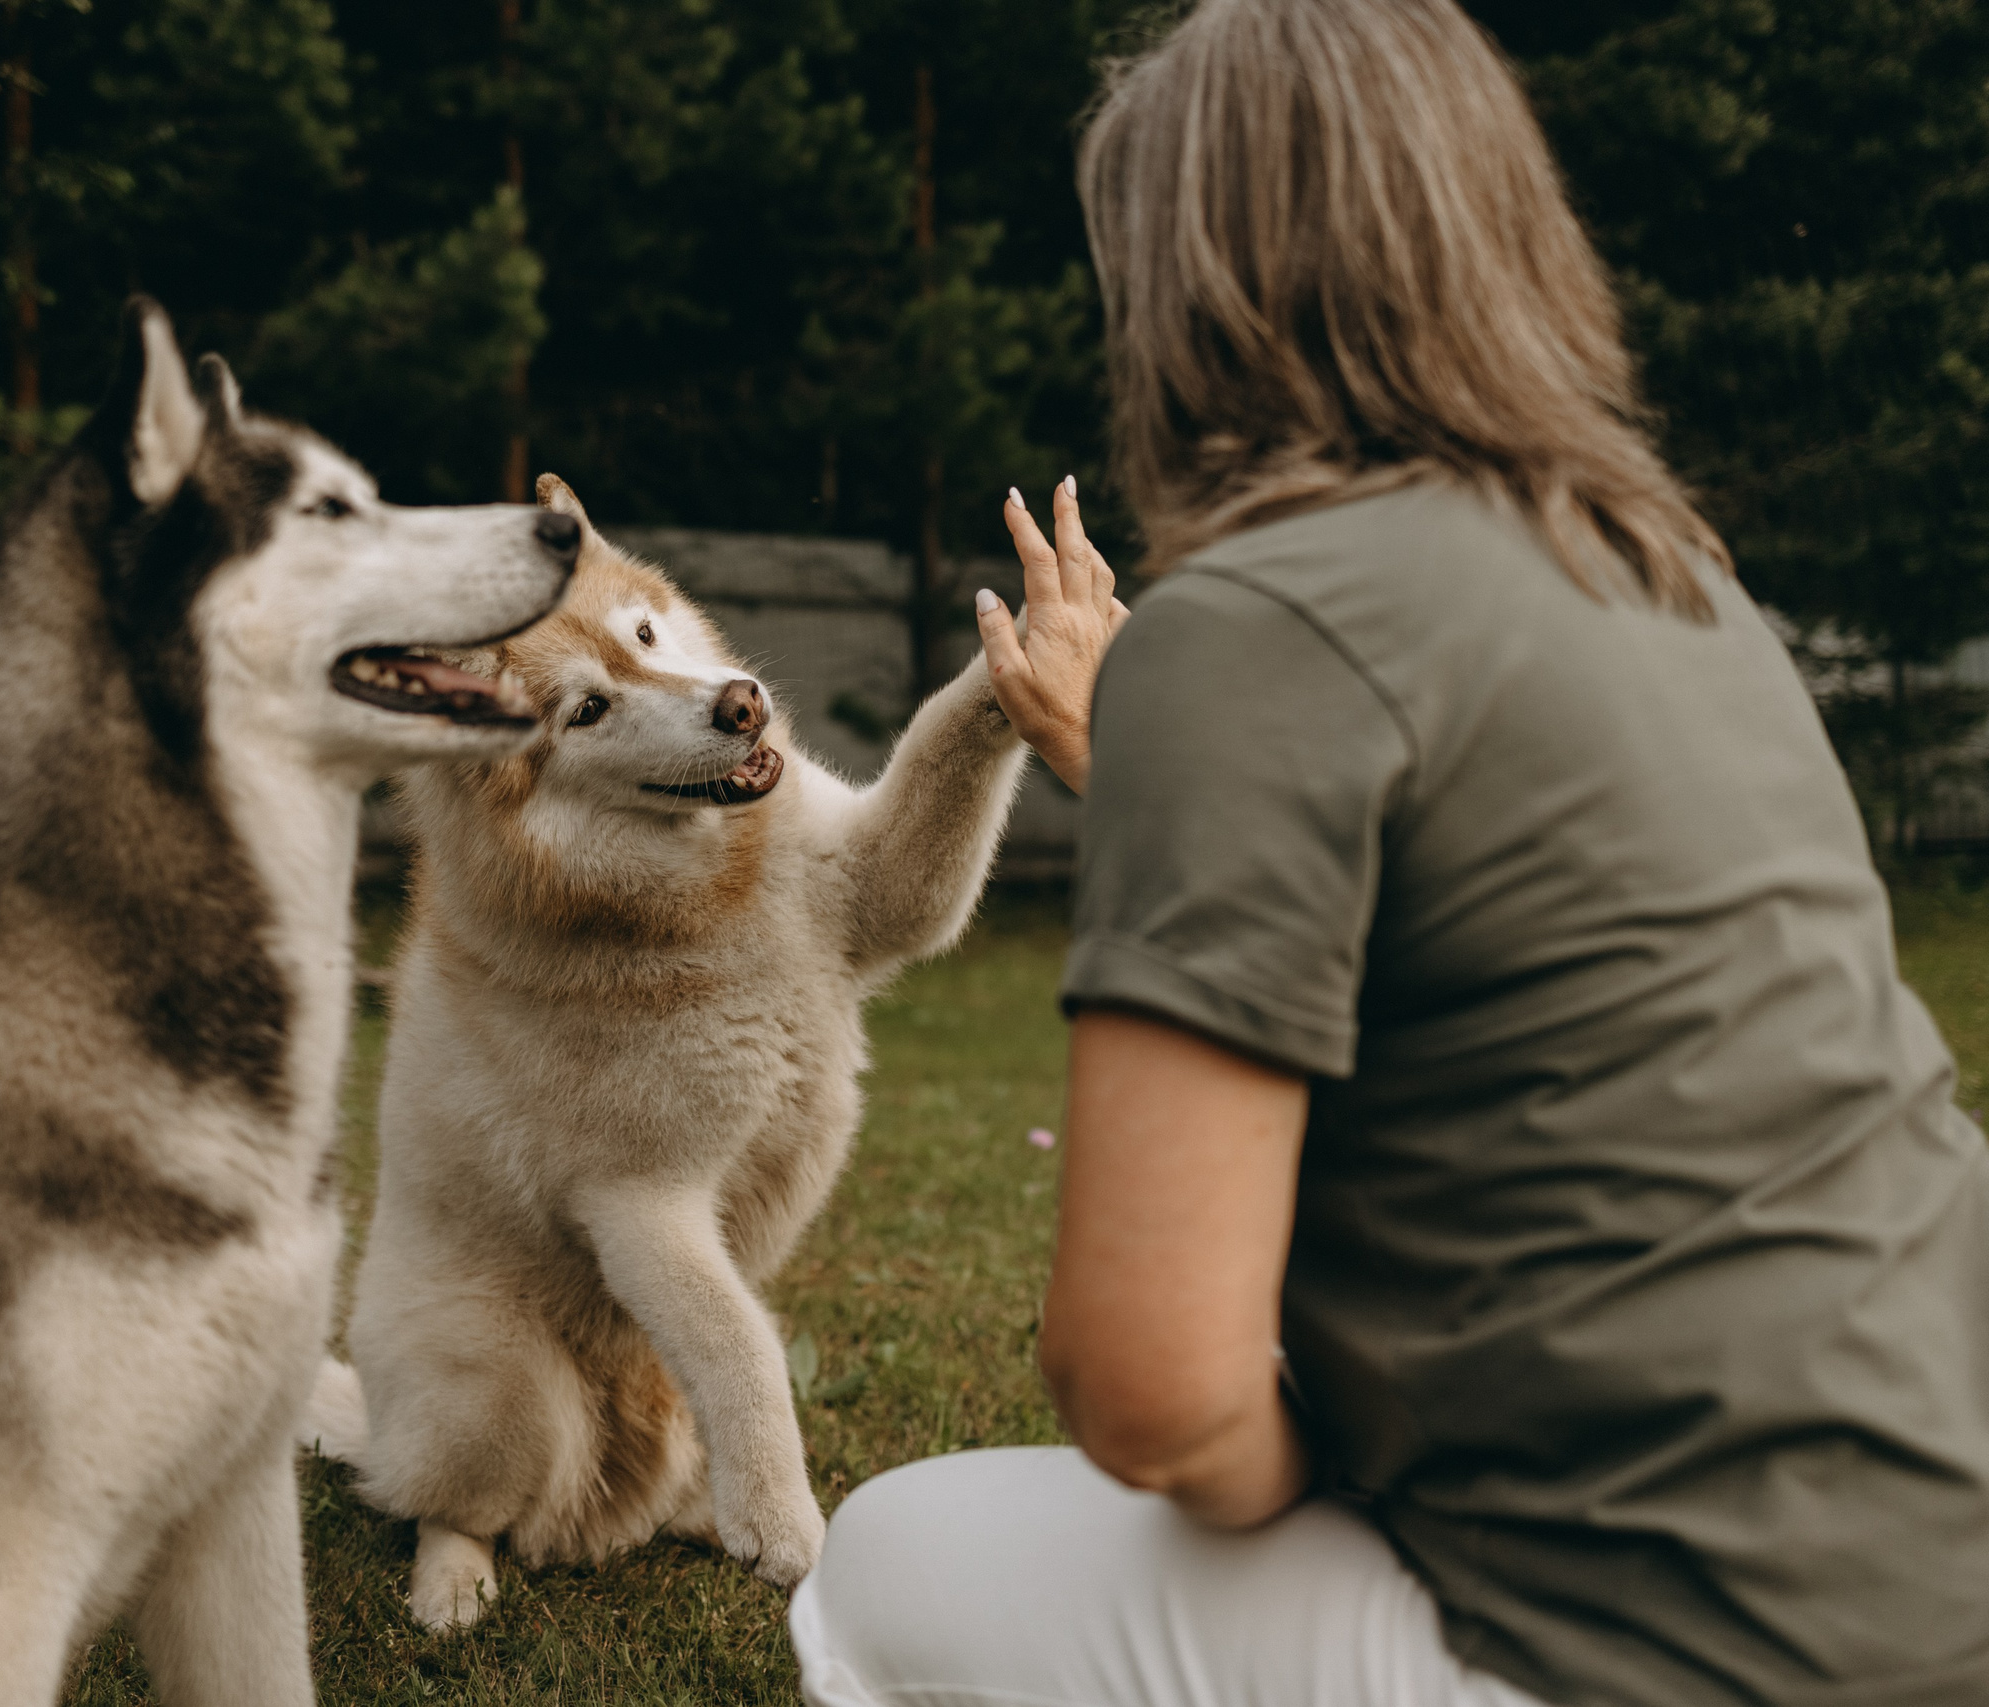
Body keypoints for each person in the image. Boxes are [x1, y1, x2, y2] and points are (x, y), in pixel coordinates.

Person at [786, 3, 1989, 1705]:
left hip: (1698, 1646)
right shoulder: (1675, 572)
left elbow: (1150, 1389)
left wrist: (1322, 1478)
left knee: (884, 1571)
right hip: (1946, 1551)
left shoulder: (1258, 626)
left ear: (1187, 289)